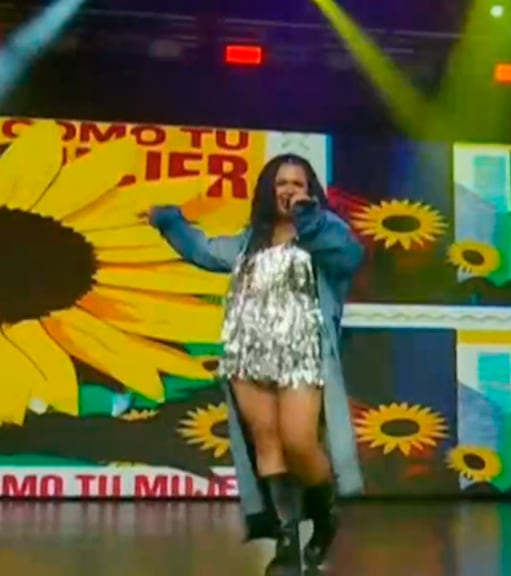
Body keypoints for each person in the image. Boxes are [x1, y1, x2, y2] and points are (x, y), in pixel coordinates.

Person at [147, 154, 364, 575]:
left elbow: (347, 257)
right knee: (267, 445)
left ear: (310, 191)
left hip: (301, 355)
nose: (289, 189)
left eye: (298, 183)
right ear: (269, 190)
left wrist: (309, 220)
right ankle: (287, 541)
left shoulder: (325, 232)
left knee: (299, 442)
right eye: (281, 183)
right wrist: (169, 222)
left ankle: (324, 519)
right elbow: (204, 251)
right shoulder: (251, 241)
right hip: (247, 354)